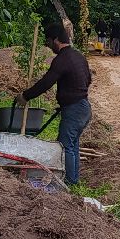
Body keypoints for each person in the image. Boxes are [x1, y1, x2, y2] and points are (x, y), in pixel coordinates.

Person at [21, 22, 93, 186]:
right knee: (72, 145)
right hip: (83, 107)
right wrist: (68, 98)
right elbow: (87, 80)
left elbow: (46, 82)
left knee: (64, 146)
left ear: (55, 39)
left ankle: (67, 183)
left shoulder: (62, 59)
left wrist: (25, 96)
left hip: (75, 109)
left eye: (48, 41)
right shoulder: (78, 56)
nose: (48, 45)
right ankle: (72, 181)